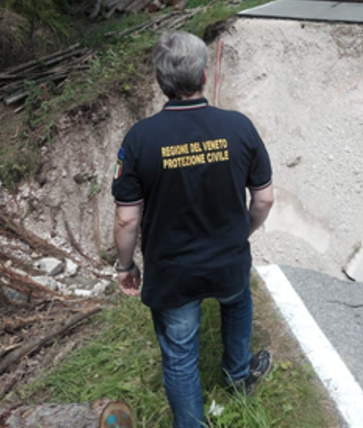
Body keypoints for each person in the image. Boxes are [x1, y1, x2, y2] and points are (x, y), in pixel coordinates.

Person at [111, 31, 275, 428]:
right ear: (203, 76)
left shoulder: (140, 138)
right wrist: (242, 235)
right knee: (236, 304)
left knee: (180, 352)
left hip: (173, 269)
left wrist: (125, 265)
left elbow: (127, 218)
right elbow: (265, 199)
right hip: (228, 260)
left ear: (159, 80)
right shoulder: (239, 127)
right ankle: (237, 376)